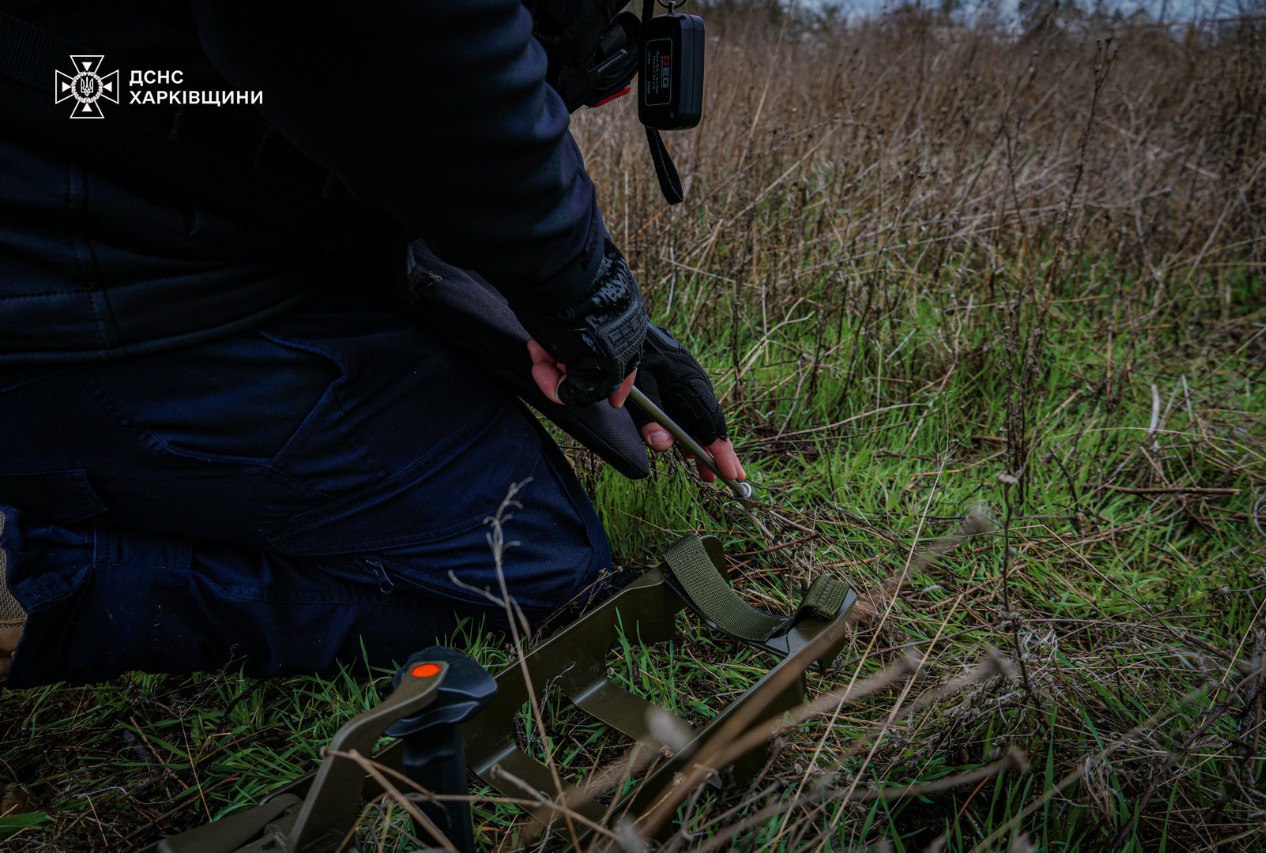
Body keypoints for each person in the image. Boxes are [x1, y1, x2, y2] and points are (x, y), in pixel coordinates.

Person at [0, 1, 744, 686]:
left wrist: (595, 313)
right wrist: (574, 277)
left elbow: (338, 115)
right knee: (537, 565)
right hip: (81, 301)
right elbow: (386, 31)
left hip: (143, 240)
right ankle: (37, 572)